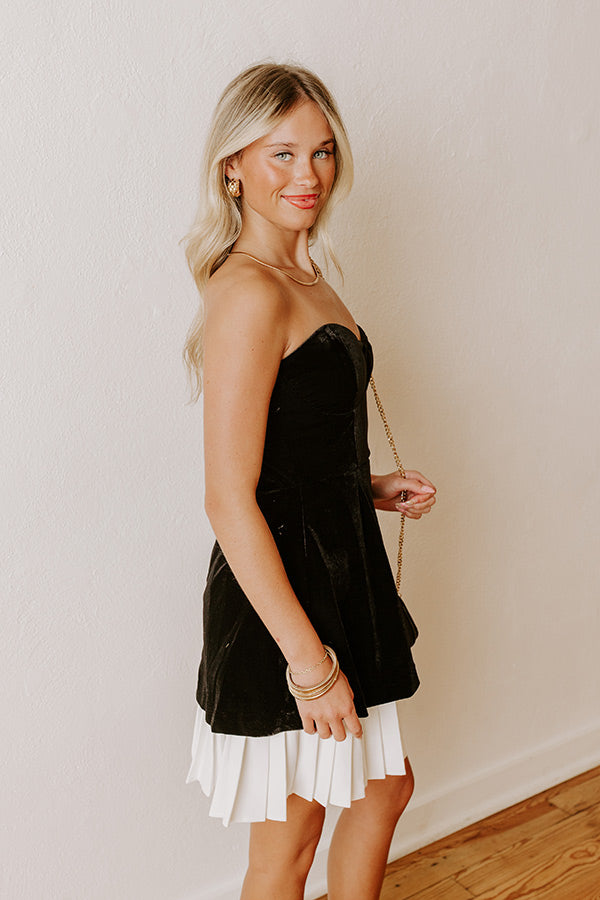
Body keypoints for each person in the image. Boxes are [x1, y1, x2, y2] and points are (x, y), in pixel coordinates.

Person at [182, 62, 437, 900]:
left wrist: (371, 487)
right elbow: (228, 496)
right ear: (234, 167)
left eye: (322, 152)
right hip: (284, 604)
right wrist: (308, 663)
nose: (309, 175)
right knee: (291, 841)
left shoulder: (306, 275)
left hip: (338, 575)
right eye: (282, 153)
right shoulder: (249, 290)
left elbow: (295, 447)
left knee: (382, 788)